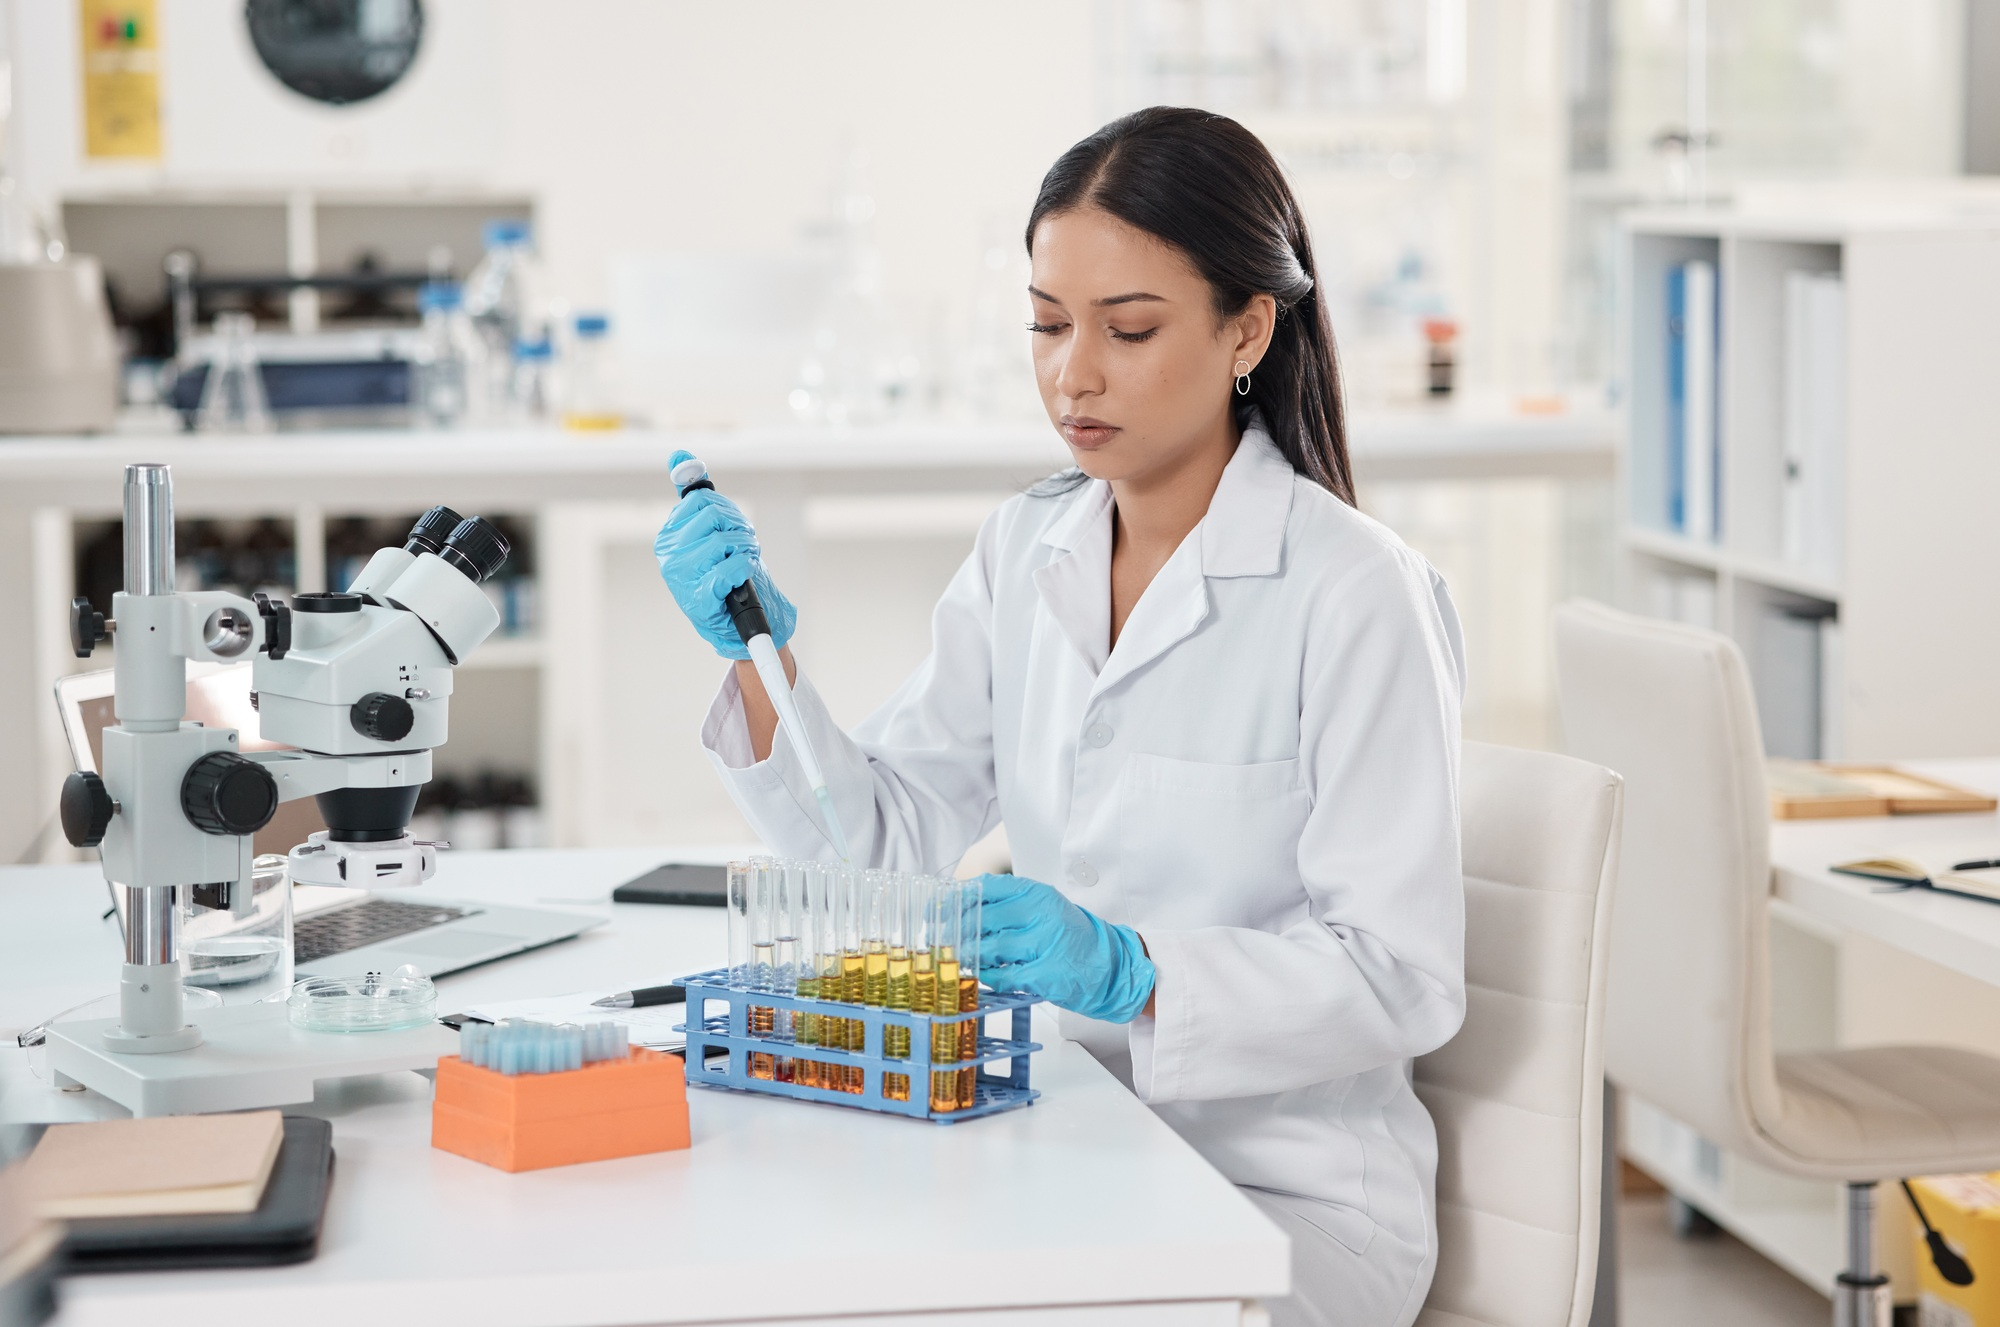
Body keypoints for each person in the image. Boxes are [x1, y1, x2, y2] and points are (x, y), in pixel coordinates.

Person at [655, 106, 1466, 1327]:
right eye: (1044, 323)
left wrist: (1136, 973)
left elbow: (1402, 978)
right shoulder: (1026, 545)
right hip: (1065, 1139)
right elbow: (878, 844)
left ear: (1247, 328)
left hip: (1282, 1199)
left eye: (1125, 329)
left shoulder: (1355, 593)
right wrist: (762, 659)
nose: (1069, 374)